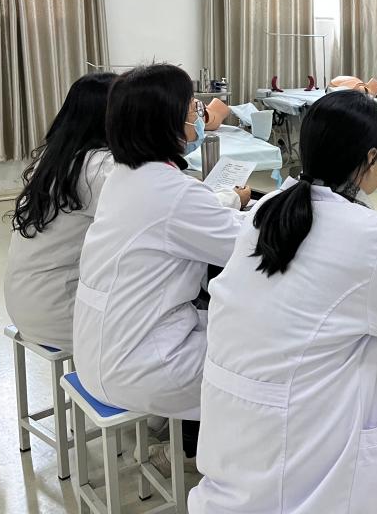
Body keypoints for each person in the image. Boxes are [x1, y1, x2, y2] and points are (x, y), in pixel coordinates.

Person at [189, 90, 377, 514]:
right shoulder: (367, 238)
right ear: (371, 159)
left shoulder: (268, 211)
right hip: (313, 480)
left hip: (241, 454)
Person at [72, 64, 247, 475]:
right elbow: (247, 247)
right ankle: (212, 460)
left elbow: (192, 218)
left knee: (224, 324)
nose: (199, 116)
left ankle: (184, 440)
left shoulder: (126, 177)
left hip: (103, 348)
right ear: (166, 121)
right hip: (140, 364)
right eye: (192, 109)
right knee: (264, 355)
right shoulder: (170, 191)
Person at [5, 72, 117, 352]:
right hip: (61, 312)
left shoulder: (58, 155)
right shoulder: (99, 168)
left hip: (28, 302)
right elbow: (153, 213)